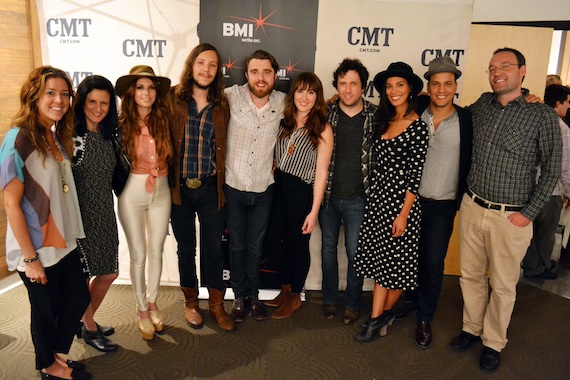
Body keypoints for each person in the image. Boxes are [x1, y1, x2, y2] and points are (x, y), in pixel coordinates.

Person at [451, 48, 561, 372]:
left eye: (504, 66)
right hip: (473, 206)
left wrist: (527, 214)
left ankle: (493, 342)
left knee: (502, 286)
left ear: (522, 71)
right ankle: (472, 329)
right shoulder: (483, 104)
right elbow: (452, 117)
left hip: (510, 216)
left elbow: (552, 169)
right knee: (470, 276)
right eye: (491, 68)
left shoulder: (541, 115)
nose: (496, 72)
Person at [0, 66, 91, 379]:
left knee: (77, 297)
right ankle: (48, 365)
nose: (59, 100)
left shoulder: (52, 136)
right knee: (45, 311)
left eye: (65, 94)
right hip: (37, 249)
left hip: (62, 243)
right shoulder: (18, 138)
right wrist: (30, 258)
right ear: (34, 96)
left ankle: (53, 355)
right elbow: (11, 202)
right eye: (51, 92)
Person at [393, 57, 473, 348]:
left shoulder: (467, 119)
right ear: (428, 86)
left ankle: (425, 317)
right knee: (407, 257)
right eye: (436, 83)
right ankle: (411, 300)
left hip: (442, 204)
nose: (441, 89)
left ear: (455, 86)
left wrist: (528, 96)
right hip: (409, 203)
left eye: (447, 84)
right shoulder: (414, 114)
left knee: (432, 262)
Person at [354, 62, 429, 343]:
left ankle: (378, 317)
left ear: (410, 89)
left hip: (401, 205)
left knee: (396, 269)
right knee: (379, 266)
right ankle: (378, 318)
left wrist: (404, 214)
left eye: (399, 85)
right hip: (378, 201)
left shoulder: (418, 128)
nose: (393, 90)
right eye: (388, 86)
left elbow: (415, 176)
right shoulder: (384, 120)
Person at [168, 43, 235, 332]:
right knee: (186, 248)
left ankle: (217, 305)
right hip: (178, 189)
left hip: (210, 189)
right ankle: (191, 303)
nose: (206, 69)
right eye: (201, 63)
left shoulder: (222, 105)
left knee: (213, 250)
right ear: (191, 65)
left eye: (212, 65)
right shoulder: (171, 98)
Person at [263, 72, 333, 319]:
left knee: (297, 244)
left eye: (311, 92)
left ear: (317, 97)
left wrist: (314, 211)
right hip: (279, 187)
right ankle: (285, 288)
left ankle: (295, 295)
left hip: (302, 191)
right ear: (294, 93)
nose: (305, 97)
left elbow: (322, 172)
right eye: (301, 91)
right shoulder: (284, 121)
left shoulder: (323, 128)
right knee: (271, 241)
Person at [224, 50, 286, 322]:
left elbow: (314, 108)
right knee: (236, 245)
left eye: (267, 72)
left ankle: (253, 296)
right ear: (246, 74)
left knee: (255, 246)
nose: (261, 78)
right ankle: (238, 297)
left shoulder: (285, 102)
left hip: (264, 187)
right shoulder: (229, 96)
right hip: (233, 185)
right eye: (255, 72)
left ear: (275, 74)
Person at [115, 65, 173, 340]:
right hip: (132, 191)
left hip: (161, 189)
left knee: (157, 250)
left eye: (151, 87)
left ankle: (152, 301)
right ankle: (140, 309)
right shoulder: (119, 123)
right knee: (138, 253)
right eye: (140, 87)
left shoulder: (166, 119)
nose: (146, 92)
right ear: (131, 92)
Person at [319, 58, 377, 325]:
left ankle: (353, 303)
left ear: (363, 86)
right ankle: (330, 301)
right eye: (342, 83)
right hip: (328, 197)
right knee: (328, 250)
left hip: (358, 199)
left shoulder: (376, 116)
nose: (348, 89)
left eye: (353, 84)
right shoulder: (325, 114)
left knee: (355, 253)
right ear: (337, 86)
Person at [72, 75, 120, 352]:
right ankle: (89, 328)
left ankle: (84, 320)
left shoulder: (108, 136)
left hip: (104, 212)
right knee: (81, 278)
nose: (98, 108)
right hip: (78, 218)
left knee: (108, 272)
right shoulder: (70, 137)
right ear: (81, 101)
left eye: (104, 103)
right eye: (92, 101)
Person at [522, 84, 570, 280]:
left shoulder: (532, 119)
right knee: (545, 233)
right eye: (567, 102)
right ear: (558, 103)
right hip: (551, 192)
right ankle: (539, 268)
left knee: (530, 234)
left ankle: (530, 265)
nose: (568, 107)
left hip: (527, 189)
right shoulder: (562, 128)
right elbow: (565, 165)